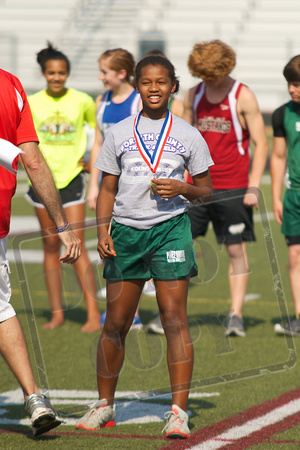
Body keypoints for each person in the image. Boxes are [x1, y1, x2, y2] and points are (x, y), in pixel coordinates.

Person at [75, 55, 213, 438]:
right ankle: (105, 405)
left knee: (174, 320)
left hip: (171, 230)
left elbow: (206, 192)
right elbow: (106, 188)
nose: (154, 88)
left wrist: (183, 187)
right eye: (147, 82)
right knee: (116, 323)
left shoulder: (188, 133)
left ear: (173, 86)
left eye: (162, 82)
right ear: (137, 86)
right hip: (126, 234)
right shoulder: (119, 131)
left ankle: (178, 412)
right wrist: (104, 231)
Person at [0, 67, 81, 435]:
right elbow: (31, 160)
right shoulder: (10, 84)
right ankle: (33, 397)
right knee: (0, 309)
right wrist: (62, 225)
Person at [183, 40, 268, 337]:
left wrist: (253, 187)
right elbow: (185, 141)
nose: (208, 80)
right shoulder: (192, 95)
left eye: (213, 74)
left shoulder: (242, 95)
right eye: (203, 75)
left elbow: (261, 143)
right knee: (180, 249)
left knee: (235, 250)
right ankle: (174, 313)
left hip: (233, 187)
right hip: (196, 187)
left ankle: (235, 315)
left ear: (225, 67)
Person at [26, 43, 100, 332]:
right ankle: (56, 313)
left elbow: (96, 133)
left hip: (72, 181)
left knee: (76, 245)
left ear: (67, 73)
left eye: (62, 73)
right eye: (51, 73)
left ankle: (93, 314)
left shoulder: (83, 100)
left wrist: (90, 159)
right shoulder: (32, 102)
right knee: (50, 246)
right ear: (44, 73)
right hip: (41, 184)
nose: (57, 78)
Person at [85, 48, 147, 328]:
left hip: (133, 188)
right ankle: (118, 310)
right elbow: (98, 143)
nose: (100, 77)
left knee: (130, 249)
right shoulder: (102, 101)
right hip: (107, 188)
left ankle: (131, 313)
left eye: (105, 72)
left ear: (122, 73)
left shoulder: (139, 102)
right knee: (107, 247)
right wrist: (93, 187)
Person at [271, 55, 300, 336]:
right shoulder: (282, 114)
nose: (292, 89)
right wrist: (277, 197)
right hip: (295, 199)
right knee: (295, 258)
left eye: (298, 84)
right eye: (290, 83)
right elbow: (279, 156)